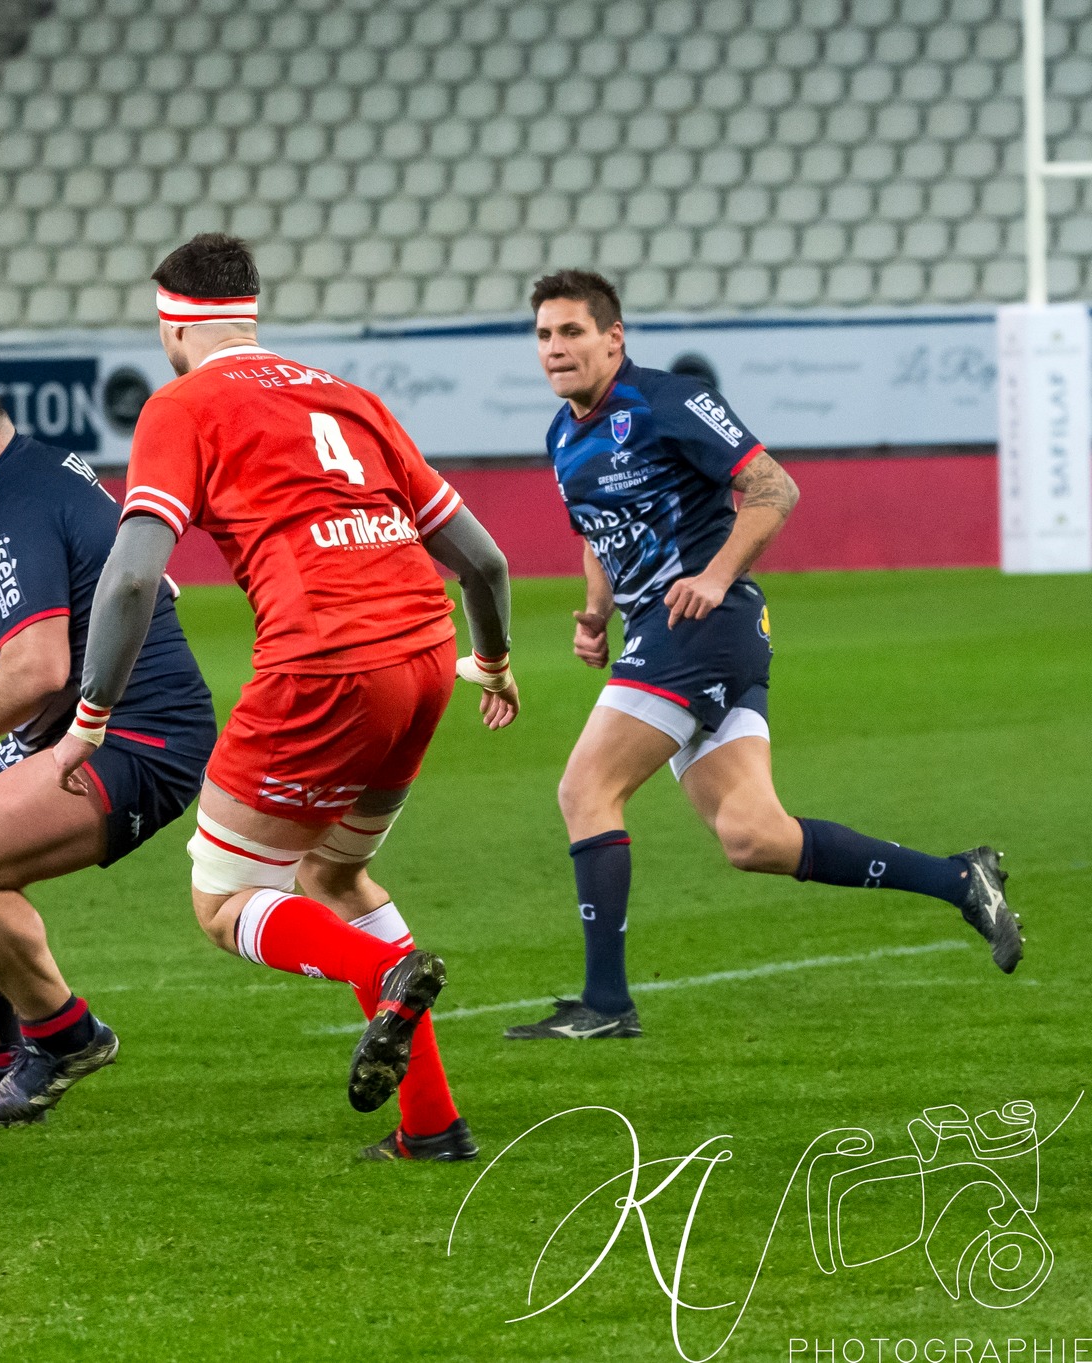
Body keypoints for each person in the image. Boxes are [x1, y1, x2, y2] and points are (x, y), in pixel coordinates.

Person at [53, 235, 520, 1161]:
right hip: (425, 654)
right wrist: (494, 662)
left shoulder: (181, 405)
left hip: (325, 665)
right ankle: (431, 1125)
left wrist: (92, 717)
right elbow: (486, 559)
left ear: (172, 322)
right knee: (335, 877)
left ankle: (384, 971)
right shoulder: (347, 395)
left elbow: (134, 579)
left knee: (225, 901)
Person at [505, 270, 1021, 1042]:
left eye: (572, 331)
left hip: (701, 627)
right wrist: (594, 612)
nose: (555, 348)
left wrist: (715, 576)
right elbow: (597, 531)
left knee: (585, 790)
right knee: (755, 836)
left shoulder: (667, 399)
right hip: (676, 631)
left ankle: (606, 1004)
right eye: (544, 335)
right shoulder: (563, 434)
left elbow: (774, 486)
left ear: (614, 337)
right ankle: (959, 877)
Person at [0, 364, 218, 1128]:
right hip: (67, 723)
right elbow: (11, 664)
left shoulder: (12, 510)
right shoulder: (18, 483)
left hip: (137, 733)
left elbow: (37, 667)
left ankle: (66, 1037)